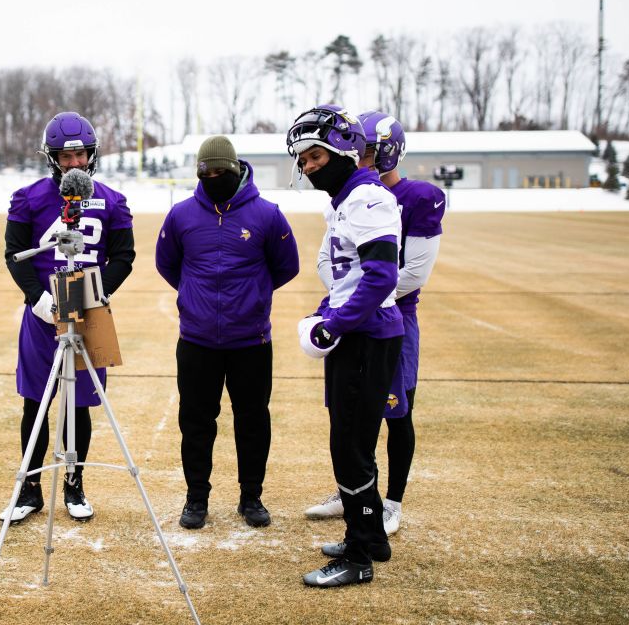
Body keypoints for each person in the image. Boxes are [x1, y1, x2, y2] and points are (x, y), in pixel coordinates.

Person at [305, 111, 445, 539]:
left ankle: (390, 502)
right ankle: (357, 495)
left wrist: (358, 303)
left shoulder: (408, 197)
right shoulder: (347, 197)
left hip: (387, 318)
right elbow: (329, 262)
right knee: (348, 422)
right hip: (355, 316)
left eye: (365, 150)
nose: (358, 157)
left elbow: (409, 275)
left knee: (394, 412)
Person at [155, 136, 300, 530]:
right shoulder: (182, 215)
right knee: (196, 422)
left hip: (251, 340)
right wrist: (194, 296)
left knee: (253, 420)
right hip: (197, 340)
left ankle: (251, 496)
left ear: (236, 169)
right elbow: (167, 264)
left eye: (221, 171)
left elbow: (287, 267)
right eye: (207, 172)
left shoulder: (267, 214)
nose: (214, 178)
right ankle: (196, 498)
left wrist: (253, 298)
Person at [0, 111, 135, 523]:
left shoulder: (112, 200)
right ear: (51, 158)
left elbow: (123, 256)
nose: (74, 164)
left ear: (91, 155)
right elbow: (14, 254)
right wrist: (39, 300)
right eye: (65, 156)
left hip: (88, 315)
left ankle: (74, 485)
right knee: (36, 403)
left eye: (80, 155)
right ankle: (30, 489)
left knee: (79, 406)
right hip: (42, 317)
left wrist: (92, 297)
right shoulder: (28, 197)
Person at [289, 104, 404, 587]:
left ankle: (358, 558)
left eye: (315, 156)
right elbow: (350, 274)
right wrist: (327, 308)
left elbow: (381, 275)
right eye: (304, 161)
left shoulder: (367, 198)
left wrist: (334, 324)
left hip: (366, 335)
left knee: (350, 445)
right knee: (352, 437)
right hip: (358, 332)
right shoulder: (347, 200)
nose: (309, 167)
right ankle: (372, 534)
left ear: (342, 148)